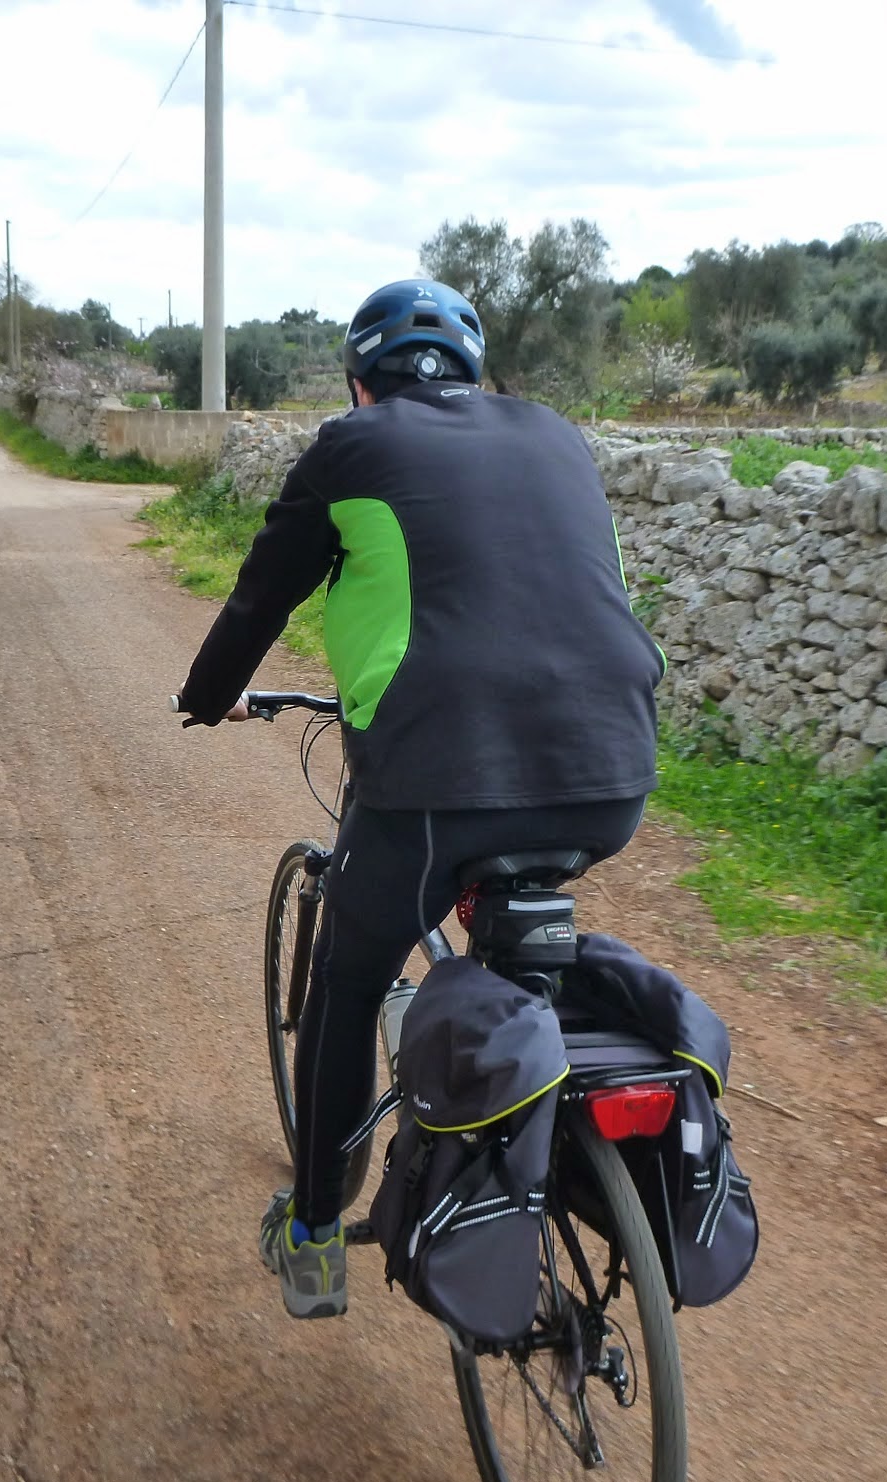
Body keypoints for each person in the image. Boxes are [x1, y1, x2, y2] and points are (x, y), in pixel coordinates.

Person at [175, 279, 665, 1319]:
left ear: (359, 383)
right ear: (476, 375)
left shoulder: (350, 450)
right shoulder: (556, 437)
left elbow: (263, 593)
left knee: (347, 988)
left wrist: (204, 698)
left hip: (435, 786)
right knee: (508, 912)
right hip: (612, 773)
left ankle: (313, 1233)